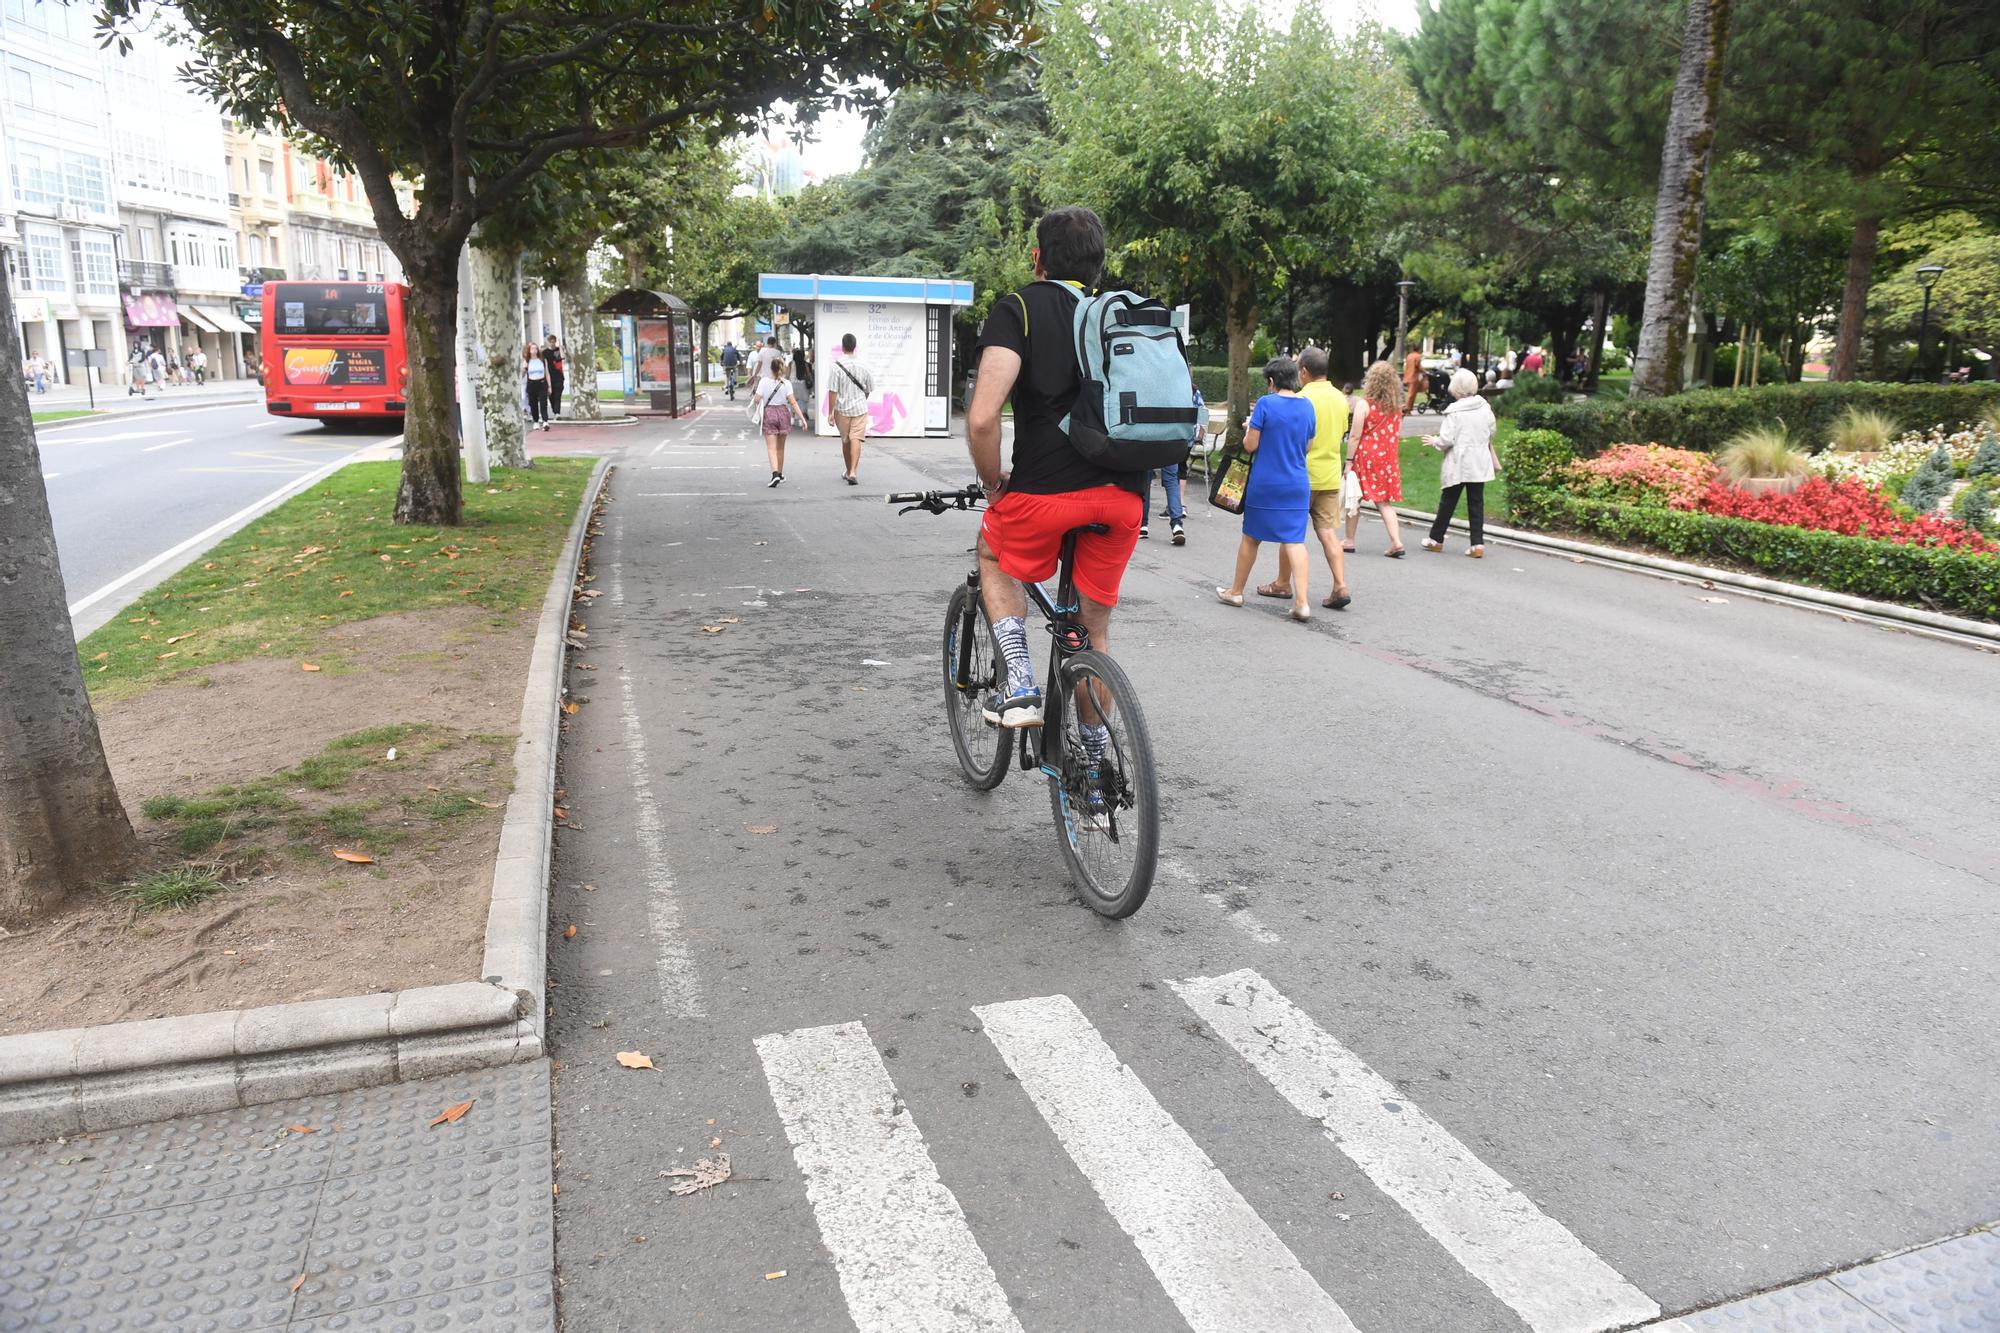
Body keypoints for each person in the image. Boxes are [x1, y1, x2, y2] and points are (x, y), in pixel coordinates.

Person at [966, 204, 1142, 735]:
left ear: (1038, 257)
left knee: (993, 552)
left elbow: (981, 419)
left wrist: (994, 484)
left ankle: (1019, 683)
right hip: (1124, 497)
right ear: (1098, 265)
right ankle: (1094, 763)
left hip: (1045, 492)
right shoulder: (1119, 312)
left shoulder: (1019, 308)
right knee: (1093, 630)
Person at [1250, 347, 1352, 609]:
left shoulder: (1301, 399)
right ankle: (1340, 584)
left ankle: (1283, 583)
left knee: (1290, 533)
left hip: (1301, 473)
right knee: (1328, 533)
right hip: (1330, 474)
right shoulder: (1341, 399)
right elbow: (1340, 432)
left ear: (1303, 372)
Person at [1215, 355, 1315, 621]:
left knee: (1251, 537)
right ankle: (1302, 602)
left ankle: (1236, 591)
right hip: (1296, 483)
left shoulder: (1265, 404)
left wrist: (1251, 428)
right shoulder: (1308, 406)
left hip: (1266, 482)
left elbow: (1250, 445)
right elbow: (1308, 446)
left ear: (1272, 381)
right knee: (1294, 540)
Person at [1421, 368, 1501, 559]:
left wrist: (1435, 441)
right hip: (1479, 462)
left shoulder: (1454, 412)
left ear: (1455, 388)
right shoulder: (1484, 408)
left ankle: (1436, 539)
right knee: (1476, 503)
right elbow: (1492, 431)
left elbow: (1447, 439)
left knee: (1448, 501)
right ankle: (1477, 544)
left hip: (1459, 462)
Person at [1343, 359, 1407, 557]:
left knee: (1355, 498)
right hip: (1387, 458)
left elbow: (1354, 436)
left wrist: (1348, 462)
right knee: (1384, 502)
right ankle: (1396, 541)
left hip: (1365, 456)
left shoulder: (1364, 404)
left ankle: (1349, 540)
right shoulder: (1396, 408)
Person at [1143, 383, 1197, 544]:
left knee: (1145, 480)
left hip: (1150, 439)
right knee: (1171, 481)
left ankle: (1142, 525)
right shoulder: (1179, 387)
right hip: (1173, 440)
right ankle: (1177, 524)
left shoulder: (1149, 387)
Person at [828, 332, 874, 485]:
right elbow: (869, 388)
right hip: (860, 408)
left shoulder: (836, 366)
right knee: (856, 439)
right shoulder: (864, 365)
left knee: (846, 440)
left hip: (842, 409)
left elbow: (833, 391)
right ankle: (853, 472)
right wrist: (862, 399)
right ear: (855, 347)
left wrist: (830, 413)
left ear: (843, 347)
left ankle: (849, 471)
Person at [753, 364, 805, 486]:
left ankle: (775, 474)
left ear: (771, 368)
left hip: (769, 413)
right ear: (782, 369)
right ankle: (780, 474)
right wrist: (802, 418)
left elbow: (756, 399)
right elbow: (793, 402)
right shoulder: (786, 383)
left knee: (771, 448)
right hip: (783, 413)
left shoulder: (764, 381)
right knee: (780, 448)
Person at [524, 342, 551, 430]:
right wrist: (524, 367)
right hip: (532, 383)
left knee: (543, 403)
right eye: (532, 349)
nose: (534, 350)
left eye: (536, 348)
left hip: (542, 383)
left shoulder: (542, 360)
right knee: (533, 404)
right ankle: (536, 421)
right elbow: (522, 374)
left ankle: (545, 421)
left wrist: (549, 385)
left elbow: (547, 373)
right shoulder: (527, 361)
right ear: (529, 351)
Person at [544, 336, 566, 418]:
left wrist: (560, 346)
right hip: (549, 376)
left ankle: (557, 412)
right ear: (548, 342)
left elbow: (563, 357)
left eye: (553, 342)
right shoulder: (545, 352)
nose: (552, 343)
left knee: (557, 395)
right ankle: (554, 410)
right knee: (551, 396)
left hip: (559, 376)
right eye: (550, 342)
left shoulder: (558, 350)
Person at [1402, 344, 1424, 414]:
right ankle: (1407, 410)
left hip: (1407, 376)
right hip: (1413, 377)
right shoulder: (1417, 356)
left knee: (1410, 393)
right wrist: (1425, 371)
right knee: (1411, 394)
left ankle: (1408, 409)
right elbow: (1418, 366)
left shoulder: (1409, 355)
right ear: (1419, 349)